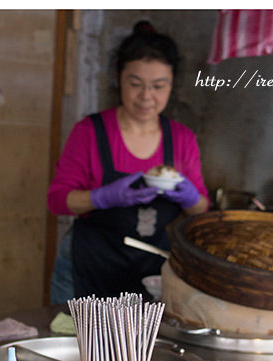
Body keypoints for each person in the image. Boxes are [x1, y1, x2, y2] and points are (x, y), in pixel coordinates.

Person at [47, 20, 209, 302]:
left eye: (159, 86)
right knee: (77, 343)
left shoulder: (182, 139)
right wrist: (102, 197)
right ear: (119, 79)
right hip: (88, 266)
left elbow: (201, 209)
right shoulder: (89, 132)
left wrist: (189, 197)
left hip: (151, 271)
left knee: (142, 347)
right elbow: (58, 200)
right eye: (135, 84)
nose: (147, 96)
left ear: (172, 85)